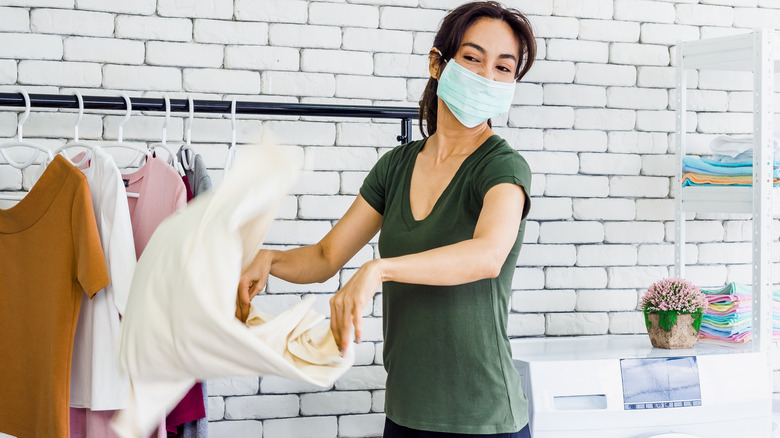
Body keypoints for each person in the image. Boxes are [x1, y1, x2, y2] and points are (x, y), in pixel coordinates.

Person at [237, 2, 536, 437]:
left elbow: (488, 255)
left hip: (483, 417)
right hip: (405, 412)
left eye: (503, 67)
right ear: (438, 63)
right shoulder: (396, 166)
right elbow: (324, 256)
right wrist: (269, 259)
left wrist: (380, 269)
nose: (486, 76)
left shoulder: (502, 167)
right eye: (472, 58)